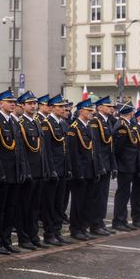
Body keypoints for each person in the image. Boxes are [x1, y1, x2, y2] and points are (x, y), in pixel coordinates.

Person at [0, 90, 25, 254]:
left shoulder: (15, 121)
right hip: (3, 172)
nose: (12, 104)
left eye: (14, 102)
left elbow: (19, 149)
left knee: (11, 208)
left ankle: (6, 240)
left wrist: (22, 169)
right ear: (0, 103)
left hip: (14, 172)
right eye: (9, 101)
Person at [16, 91, 51, 250]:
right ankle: (24, 238)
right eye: (29, 103)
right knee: (25, 207)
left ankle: (33, 235)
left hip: (38, 170)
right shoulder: (20, 123)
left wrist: (45, 168)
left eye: (34, 103)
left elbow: (41, 148)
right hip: (28, 171)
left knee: (35, 207)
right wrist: (26, 171)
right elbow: (21, 151)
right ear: (22, 106)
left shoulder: (36, 122)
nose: (33, 106)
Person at [40, 94, 72, 246]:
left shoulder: (63, 124)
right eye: (60, 107)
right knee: (50, 204)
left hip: (63, 169)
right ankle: (49, 233)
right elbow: (45, 150)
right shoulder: (47, 124)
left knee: (61, 203)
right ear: (52, 108)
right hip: (54, 171)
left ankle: (57, 231)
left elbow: (66, 149)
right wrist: (50, 170)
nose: (63, 109)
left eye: (64, 107)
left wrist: (69, 168)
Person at [67, 98, 101, 241]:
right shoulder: (74, 128)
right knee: (78, 202)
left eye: (92, 111)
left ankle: (83, 227)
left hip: (90, 170)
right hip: (80, 172)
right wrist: (78, 172)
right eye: (89, 111)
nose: (92, 113)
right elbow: (73, 153)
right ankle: (76, 228)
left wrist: (97, 169)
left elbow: (93, 150)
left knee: (88, 201)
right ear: (81, 111)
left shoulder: (88, 126)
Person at [88, 96, 117, 236]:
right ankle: (95, 224)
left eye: (111, 106)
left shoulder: (107, 122)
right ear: (99, 108)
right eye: (108, 106)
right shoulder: (95, 122)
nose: (111, 108)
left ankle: (100, 222)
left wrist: (113, 165)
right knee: (97, 196)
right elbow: (96, 146)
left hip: (107, 164)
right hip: (99, 165)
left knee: (103, 196)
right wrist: (100, 166)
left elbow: (110, 146)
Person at [111, 102, 140, 232]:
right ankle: (118, 221)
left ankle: (123, 219)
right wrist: (117, 165)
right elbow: (118, 149)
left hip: (128, 164)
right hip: (124, 165)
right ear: (131, 112)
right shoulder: (122, 126)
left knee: (125, 193)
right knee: (122, 194)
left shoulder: (126, 124)